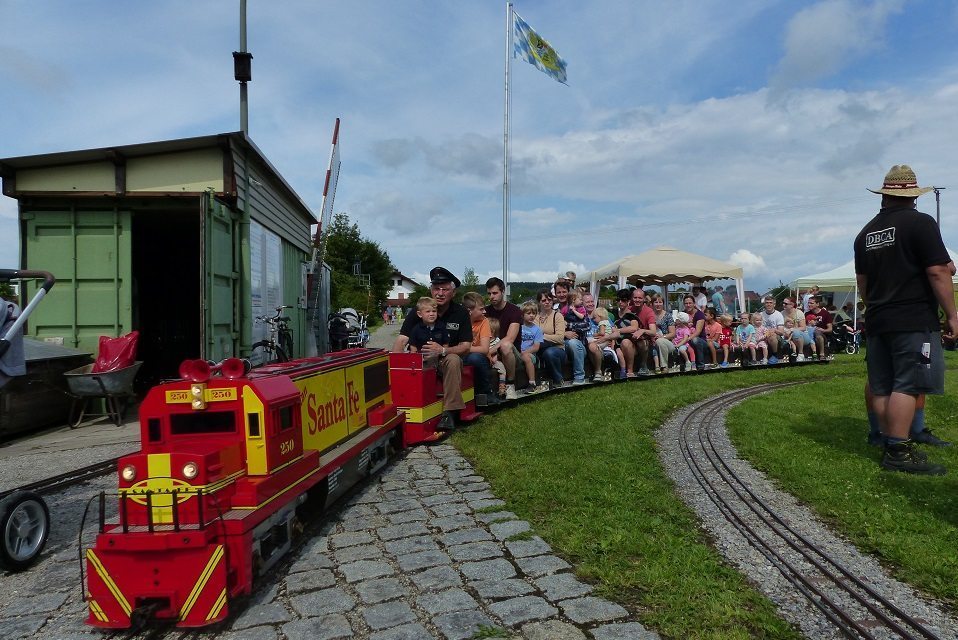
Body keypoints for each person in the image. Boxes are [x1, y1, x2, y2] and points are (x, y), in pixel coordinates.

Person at [854, 164, 957, 474]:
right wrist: (952, 314)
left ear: (884, 196)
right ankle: (899, 451)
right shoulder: (920, 223)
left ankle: (889, 442)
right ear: (913, 196)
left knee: (883, 386)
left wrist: (877, 307)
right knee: (909, 384)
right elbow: (938, 270)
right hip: (912, 319)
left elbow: (863, 284)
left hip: (878, 320)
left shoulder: (865, 234)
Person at [393, 267, 472, 432]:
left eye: (445, 289)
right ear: (431, 290)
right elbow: (402, 340)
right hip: (419, 360)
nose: (440, 293)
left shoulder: (461, 313)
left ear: (453, 292)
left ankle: (449, 413)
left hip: (446, 360)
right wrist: (393, 366)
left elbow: (466, 346)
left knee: (453, 360)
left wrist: (442, 351)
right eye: (436, 288)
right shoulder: (418, 312)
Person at [484, 277, 522, 400]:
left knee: (506, 346)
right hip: (490, 348)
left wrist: (489, 351)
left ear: (503, 291)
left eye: (495, 293)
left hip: (511, 352)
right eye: (489, 293)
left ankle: (511, 385)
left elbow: (510, 338)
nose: (491, 296)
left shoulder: (514, 311)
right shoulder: (485, 311)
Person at [462, 291, 494, 403]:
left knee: (474, 358)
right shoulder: (459, 321)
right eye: (481, 309)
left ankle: (486, 392)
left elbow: (484, 349)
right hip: (461, 356)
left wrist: (462, 348)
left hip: (479, 358)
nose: (484, 311)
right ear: (469, 311)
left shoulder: (483, 322)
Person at [553, 280, 588, 385]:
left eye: (564, 292)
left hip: (578, 345)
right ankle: (557, 380)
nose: (562, 294)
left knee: (572, 343)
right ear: (555, 293)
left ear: (569, 293)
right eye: (559, 292)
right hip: (561, 343)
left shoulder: (579, 307)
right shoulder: (555, 310)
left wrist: (569, 326)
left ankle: (579, 377)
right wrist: (564, 333)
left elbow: (586, 325)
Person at [534, 289, 568, 387]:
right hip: (539, 348)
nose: (547, 302)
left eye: (549, 299)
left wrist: (542, 335)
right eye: (544, 300)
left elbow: (560, 338)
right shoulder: (535, 317)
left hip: (557, 349)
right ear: (539, 302)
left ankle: (558, 379)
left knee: (549, 353)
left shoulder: (558, 316)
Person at [518, 302, 546, 394]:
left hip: (530, 354)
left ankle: (532, 383)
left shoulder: (537, 330)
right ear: (522, 315)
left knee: (526, 357)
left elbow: (536, 347)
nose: (532, 316)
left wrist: (524, 352)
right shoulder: (518, 327)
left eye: (534, 313)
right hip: (518, 352)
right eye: (529, 313)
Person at [611, 289, 639, 378]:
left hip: (629, 343)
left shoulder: (632, 315)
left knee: (625, 342)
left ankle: (630, 370)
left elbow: (634, 328)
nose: (620, 302)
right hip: (615, 342)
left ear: (628, 301)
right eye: (618, 300)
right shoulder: (613, 314)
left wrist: (618, 330)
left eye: (623, 300)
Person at [629, 288, 657, 375]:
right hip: (630, 338)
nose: (637, 300)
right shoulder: (629, 310)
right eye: (635, 297)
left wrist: (642, 331)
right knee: (625, 343)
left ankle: (643, 365)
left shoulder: (649, 311)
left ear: (644, 299)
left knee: (643, 343)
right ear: (632, 298)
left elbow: (653, 332)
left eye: (640, 298)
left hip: (644, 339)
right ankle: (628, 370)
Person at [650, 292, 676, 374]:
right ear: (652, 304)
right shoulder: (649, 315)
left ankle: (664, 366)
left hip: (668, 342)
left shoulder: (668, 316)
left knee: (659, 341)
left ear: (663, 304)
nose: (658, 304)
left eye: (660, 302)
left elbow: (673, 334)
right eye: (656, 302)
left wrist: (662, 337)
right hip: (652, 341)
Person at [682, 295, 708, 369]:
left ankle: (700, 365)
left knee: (695, 340)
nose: (688, 305)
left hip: (700, 340)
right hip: (685, 337)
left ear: (694, 303)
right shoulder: (683, 314)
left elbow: (698, 332)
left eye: (690, 303)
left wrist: (686, 339)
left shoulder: (700, 314)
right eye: (686, 303)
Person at [759, 296, 785, 364]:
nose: (769, 304)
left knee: (772, 335)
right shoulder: (760, 315)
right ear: (764, 304)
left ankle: (775, 355)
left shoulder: (778, 315)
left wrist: (774, 330)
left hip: (776, 337)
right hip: (763, 336)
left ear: (774, 304)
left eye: (771, 303)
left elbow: (781, 332)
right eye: (767, 303)